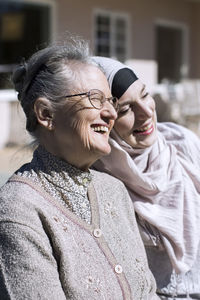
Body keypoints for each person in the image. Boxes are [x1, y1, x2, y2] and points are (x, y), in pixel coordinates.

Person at [0, 39, 159, 299]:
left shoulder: (113, 189)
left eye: (111, 101)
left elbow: (148, 292)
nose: (110, 113)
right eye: (95, 99)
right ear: (46, 114)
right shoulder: (19, 210)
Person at [92, 56, 200, 299]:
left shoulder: (183, 143)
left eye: (145, 95)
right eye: (126, 109)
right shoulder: (100, 178)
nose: (145, 112)